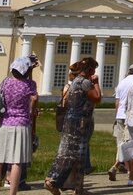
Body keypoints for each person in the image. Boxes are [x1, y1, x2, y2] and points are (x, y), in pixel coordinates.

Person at [45, 57, 101, 195]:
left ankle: (78, 188)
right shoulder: (86, 82)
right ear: (90, 70)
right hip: (80, 124)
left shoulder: (75, 81)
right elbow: (97, 97)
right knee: (73, 155)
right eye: (94, 69)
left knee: (69, 154)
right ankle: (53, 181)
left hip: (70, 122)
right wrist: (97, 83)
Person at [0, 56, 40, 195]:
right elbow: (35, 98)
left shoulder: (6, 82)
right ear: (26, 71)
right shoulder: (30, 85)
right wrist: (32, 109)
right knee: (16, 162)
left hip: (4, 123)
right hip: (21, 123)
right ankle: (12, 193)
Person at [109, 61, 133, 181]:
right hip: (132, 117)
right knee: (132, 146)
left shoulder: (121, 82)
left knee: (122, 144)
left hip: (120, 115)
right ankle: (129, 172)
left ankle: (120, 168)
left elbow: (117, 103)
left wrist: (117, 115)